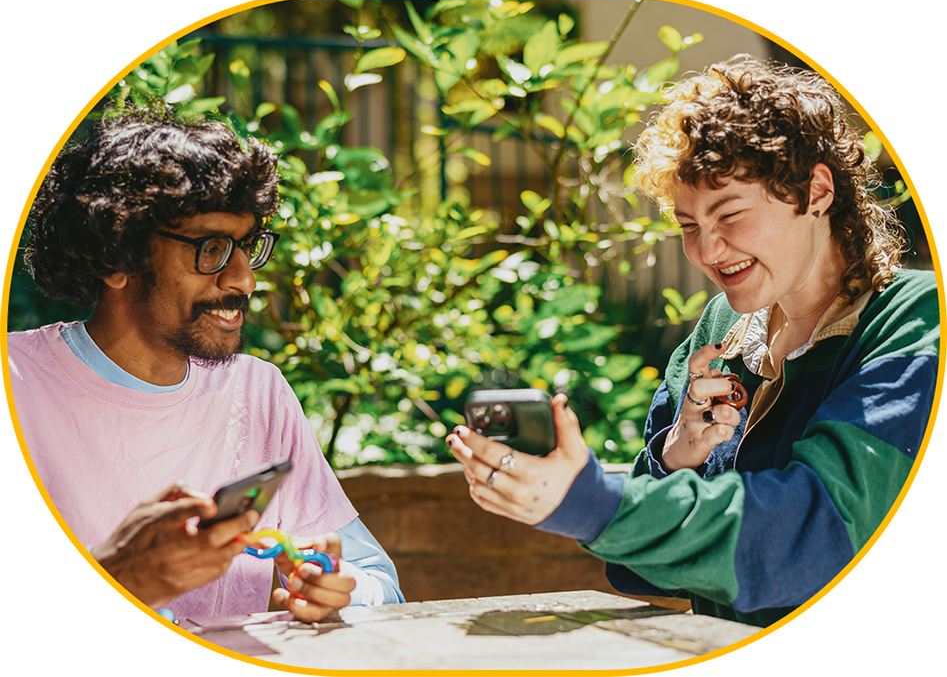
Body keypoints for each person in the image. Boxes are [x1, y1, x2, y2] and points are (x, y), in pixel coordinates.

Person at [448, 56, 938, 627]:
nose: (708, 250)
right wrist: (677, 455)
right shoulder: (719, 330)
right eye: (688, 225)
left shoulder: (916, 320)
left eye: (729, 213)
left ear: (817, 191)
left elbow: (816, 537)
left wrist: (590, 505)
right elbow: (645, 572)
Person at [9, 108, 404, 622]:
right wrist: (123, 577)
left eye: (247, 247)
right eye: (212, 248)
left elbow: (380, 583)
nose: (243, 280)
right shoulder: (17, 386)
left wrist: (338, 589)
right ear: (116, 259)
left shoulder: (258, 391)